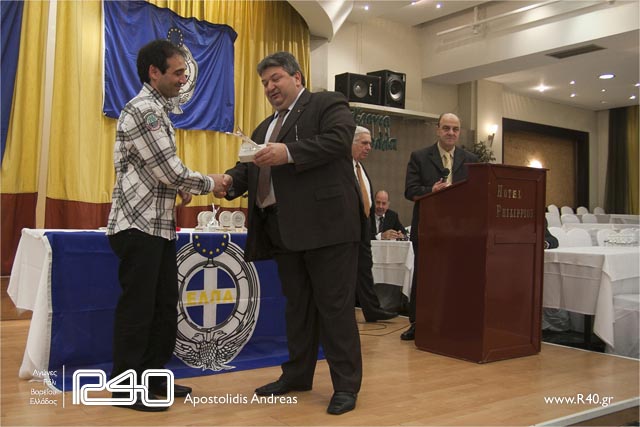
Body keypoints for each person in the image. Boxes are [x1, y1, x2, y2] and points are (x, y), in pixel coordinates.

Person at [223, 52, 362, 415]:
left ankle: (346, 386)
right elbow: (247, 168)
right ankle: (298, 375)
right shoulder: (262, 129)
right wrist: (226, 181)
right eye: (264, 83)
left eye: (276, 79)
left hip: (329, 229)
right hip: (283, 231)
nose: (270, 87)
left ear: (297, 77)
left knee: (334, 310)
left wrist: (287, 152)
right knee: (298, 309)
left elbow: (338, 140)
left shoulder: (327, 104)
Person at [106, 40, 229, 412]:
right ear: (153, 72)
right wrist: (209, 182)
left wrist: (179, 188)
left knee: (162, 307)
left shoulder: (157, 109)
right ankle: (125, 388)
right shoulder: (146, 110)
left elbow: (158, 172)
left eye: (184, 73)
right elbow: (169, 169)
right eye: (177, 72)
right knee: (139, 309)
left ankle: (152, 379)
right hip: (138, 226)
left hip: (156, 227)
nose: (183, 79)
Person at [401, 113, 478, 341]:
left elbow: (476, 192)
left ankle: (454, 320)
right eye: (446, 128)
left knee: (457, 276)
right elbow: (410, 191)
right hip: (428, 228)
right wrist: (431, 191)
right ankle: (418, 323)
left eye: (455, 129)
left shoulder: (470, 159)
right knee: (424, 276)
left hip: (460, 230)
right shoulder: (420, 157)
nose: (451, 133)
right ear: (437, 130)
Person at [351, 126, 398, 322]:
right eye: (364, 143)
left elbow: (367, 200)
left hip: (364, 229)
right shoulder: (343, 168)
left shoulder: (361, 168)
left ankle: (372, 310)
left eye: (370, 143)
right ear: (351, 143)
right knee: (347, 274)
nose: (369, 147)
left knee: (365, 271)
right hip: (348, 229)